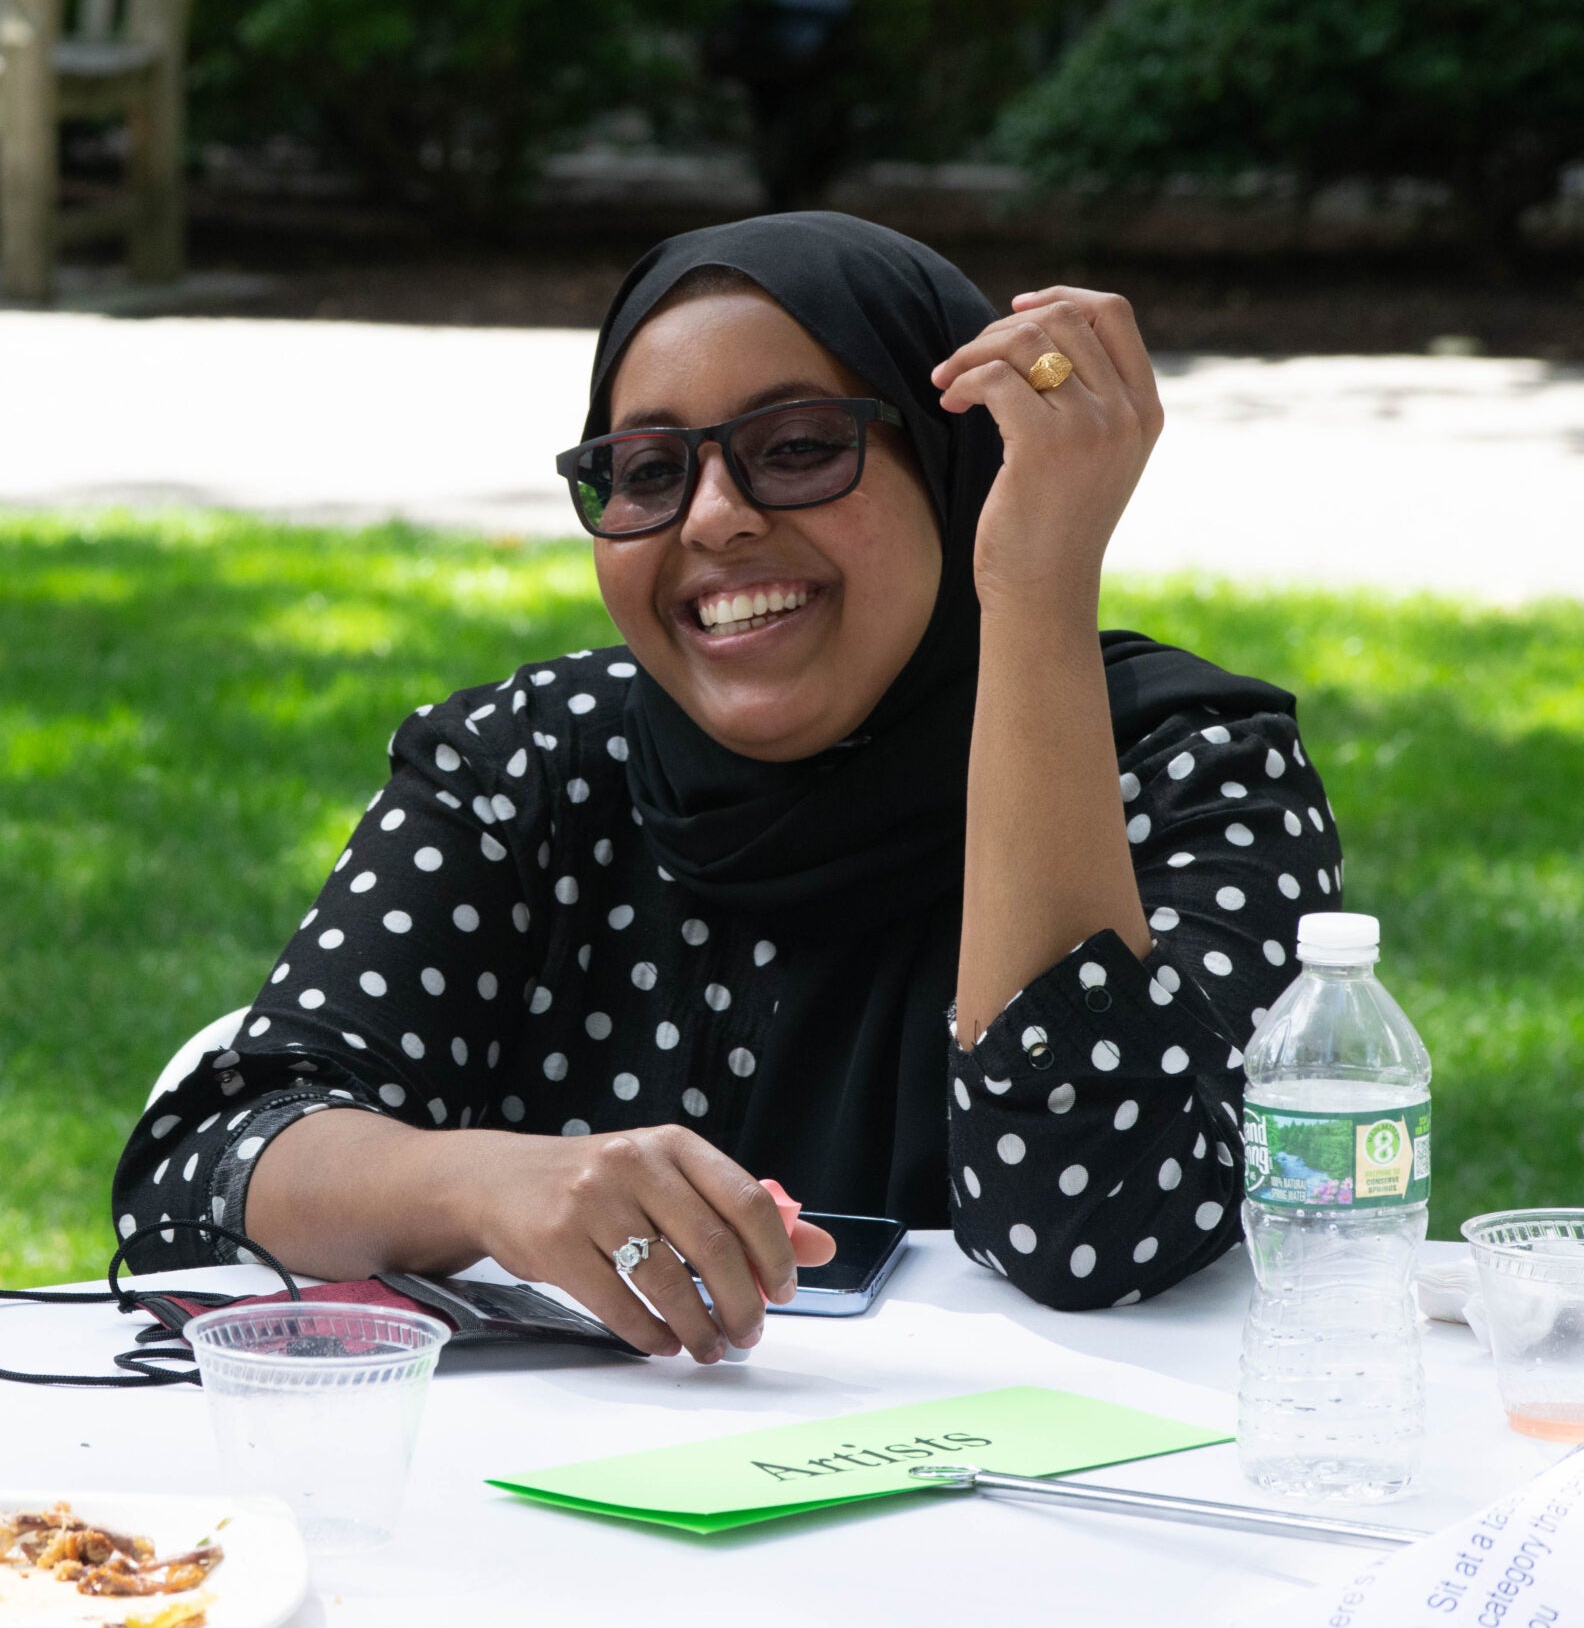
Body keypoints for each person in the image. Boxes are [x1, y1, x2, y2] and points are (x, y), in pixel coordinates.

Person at [113, 213, 1339, 1363]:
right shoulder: (528, 767)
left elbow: (1089, 1223)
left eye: (798, 450)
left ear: (958, 468)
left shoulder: (1190, 766)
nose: (714, 518)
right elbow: (201, 1177)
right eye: (646, 470)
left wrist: (1033, 582)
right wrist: (497, 1184)